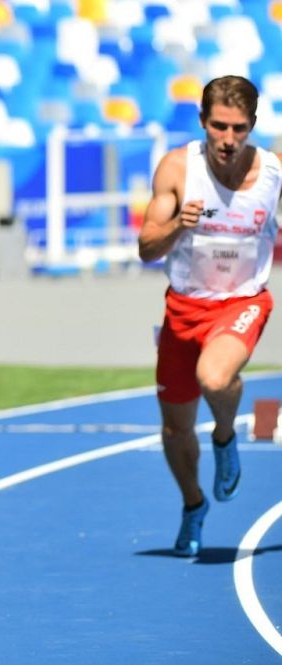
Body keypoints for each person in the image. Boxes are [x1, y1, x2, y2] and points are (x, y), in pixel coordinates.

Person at [138, 75, 282, 557]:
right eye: (218, 126)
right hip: (184, 309)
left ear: (251, 127)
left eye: (238, 128)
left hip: (242, 302)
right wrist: (180, 223)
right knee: (176, 429)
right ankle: (194, 504)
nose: (227, 138)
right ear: (203, 123)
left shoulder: (272, 174)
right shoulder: (178, 169)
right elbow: (146, 249)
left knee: (214, 379)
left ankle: (225, 437)